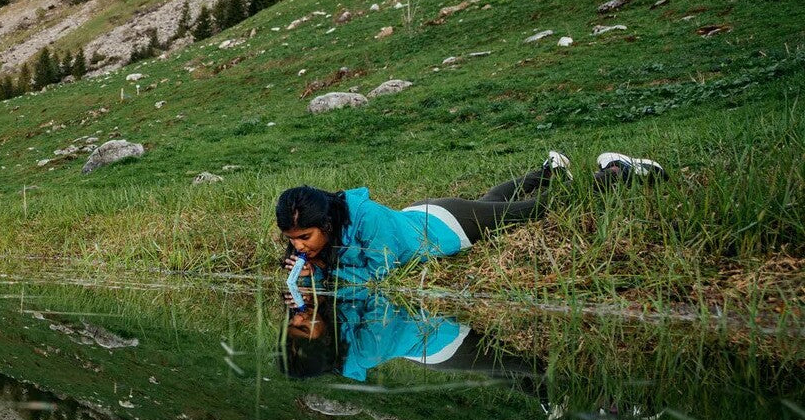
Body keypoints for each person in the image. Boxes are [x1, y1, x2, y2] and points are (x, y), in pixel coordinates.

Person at [276, 151, 666, 286]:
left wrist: (324, 271)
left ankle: (618, 172)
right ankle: (547, 170)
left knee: (532, 211)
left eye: (305, 236)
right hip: (425, 213)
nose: (299, 246)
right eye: (293, 239)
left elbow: (381, 272)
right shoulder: (327, 234)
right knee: (493, 201)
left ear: (325, 223)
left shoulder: (368, 218)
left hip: (449, 226)